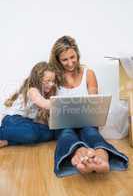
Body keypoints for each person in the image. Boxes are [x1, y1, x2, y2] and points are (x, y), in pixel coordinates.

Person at [49, 35, 128, 177]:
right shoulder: (54, 77)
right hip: (64, 124)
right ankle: (80, 155)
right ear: (57, 60)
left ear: (77, 54)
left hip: (87, 120)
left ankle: (101, 156)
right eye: (64, 59)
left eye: (72, 57)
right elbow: (51, 104)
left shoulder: (88, 74)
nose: (70, 62)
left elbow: (93, 102)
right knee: (66, 134)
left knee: (90, 132)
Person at [0, 61, 56, 147]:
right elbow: (44, 103)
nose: (51, 84)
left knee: (49, 133)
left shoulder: (43, 92)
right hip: (12, 120)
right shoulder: (32, 90)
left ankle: (8, 141)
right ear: (38, 79)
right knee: (31, 133)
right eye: (48, 81)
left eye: (53, 81)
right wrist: (61, 104)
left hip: (26, 122)